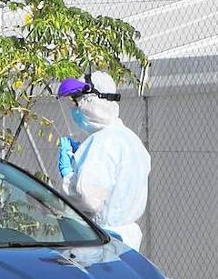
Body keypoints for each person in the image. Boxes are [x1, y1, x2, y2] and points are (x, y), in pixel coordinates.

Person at [56, 71, 151, 251]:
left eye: (78, 101)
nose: (75, 109)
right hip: (126, 240)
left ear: (91, 101)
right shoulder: (130, 140)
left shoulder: (102, 142)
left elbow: (88, 199)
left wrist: (68, 175)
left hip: (103, 242)